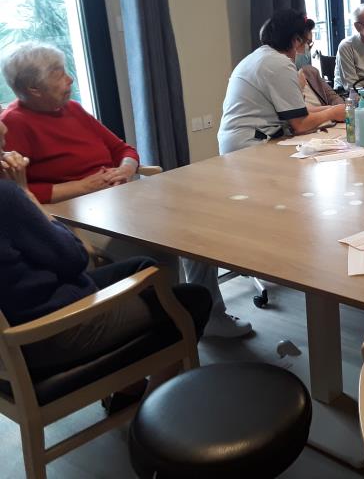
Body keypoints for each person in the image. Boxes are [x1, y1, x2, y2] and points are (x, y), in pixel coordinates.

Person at [0, 43, 246, 338]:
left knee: (199, 224)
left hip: (121, 196)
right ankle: (175, 317)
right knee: (176, 236)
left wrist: (126, 169)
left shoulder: (72, 109)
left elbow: (123, 148)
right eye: (58, 74)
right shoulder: (12, 124)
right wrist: (81, 186)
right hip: (80, 215)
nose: (70, 79)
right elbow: (20, 193)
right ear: (33, 88)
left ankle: (202, 311)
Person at [0, 113, 211, 410]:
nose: (5, 130)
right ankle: (151, 409)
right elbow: (76, 257)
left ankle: (128, 389)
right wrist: (26, 193)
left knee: (145, 266)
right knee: (192, 301)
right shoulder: (7, 196)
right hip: (52, 333)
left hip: (24, 319)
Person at [218, 10, 345, 154]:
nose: (307, 50)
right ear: (296, 40)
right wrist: (332, 113)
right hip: (249, 144)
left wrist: (334, 109)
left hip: (238, 140)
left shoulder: (262, 57)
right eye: (307, 43)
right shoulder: (279, 64)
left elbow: (298, 112)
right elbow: (300, 124)